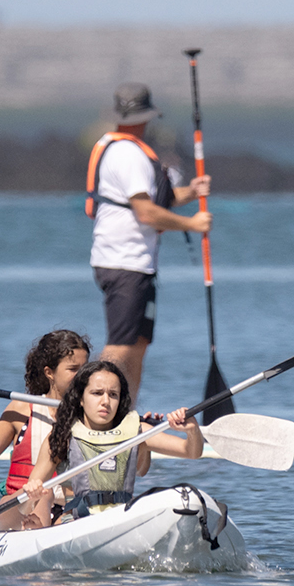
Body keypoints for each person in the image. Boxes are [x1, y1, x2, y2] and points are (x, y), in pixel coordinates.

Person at [85, 82, 212, 405]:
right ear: (147, 116)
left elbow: (160, 200)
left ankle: (127, 413)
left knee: (138, 343)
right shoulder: (128, 154)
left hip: (138, 263)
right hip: (123, 262)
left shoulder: (128, 149)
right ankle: (90, 412)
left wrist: (193, 192)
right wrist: (192, 224)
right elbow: (145, 212)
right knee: (121, 345)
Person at [18, 359, 203, 529]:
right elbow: (25, 506)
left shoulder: (138, 432)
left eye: (113, 395)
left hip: (122, 517)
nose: (105, 401)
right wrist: (31, 496)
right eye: (97, 393)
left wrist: (192, 430)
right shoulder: (62, 435)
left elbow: (191, 452)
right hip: (77, 520)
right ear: (81, 399)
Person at [0, 329, 91, 530]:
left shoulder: (94, 414)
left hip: (66, 511)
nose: (82, 376)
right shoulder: (22, 409)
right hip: (19, 508)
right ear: (50, 373)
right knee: (43, 494)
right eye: (73, 369)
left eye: (85, 369)